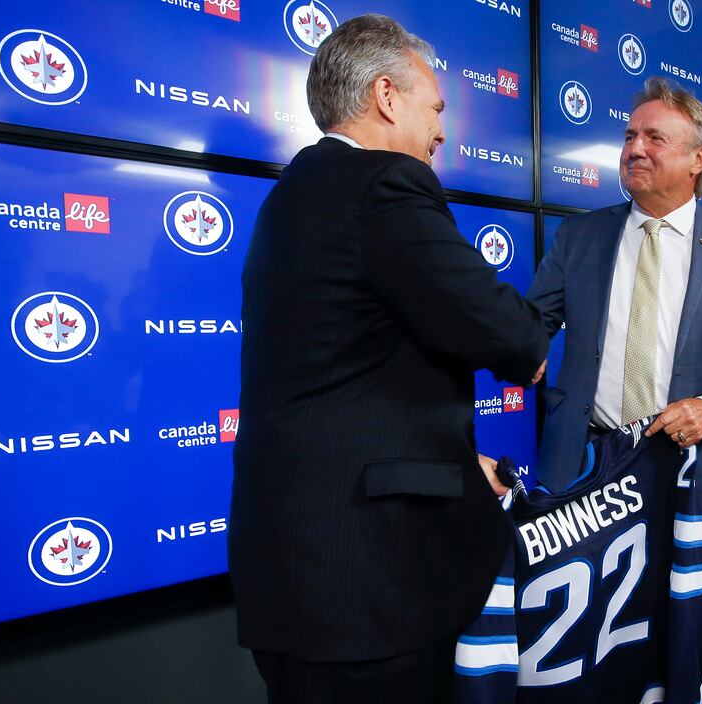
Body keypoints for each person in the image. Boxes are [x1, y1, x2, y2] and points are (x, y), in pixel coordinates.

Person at [228, 15, 547, 702]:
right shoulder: (384, 185)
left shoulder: (296, 193)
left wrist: (454, 466)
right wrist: (533, 344)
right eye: (435, 108)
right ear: (386, 96)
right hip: (365, 586)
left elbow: (350, 375)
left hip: (299, 575)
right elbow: (507, 334)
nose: (441, 130)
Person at [526, 76, 702, 533]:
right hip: (580, 458)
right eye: (629, 136)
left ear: (698, 158)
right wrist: (523, 345)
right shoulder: (579, 236)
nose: (635, 149)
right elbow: (534, 321)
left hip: (681, 464)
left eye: (654, 137)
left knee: (671, 603)